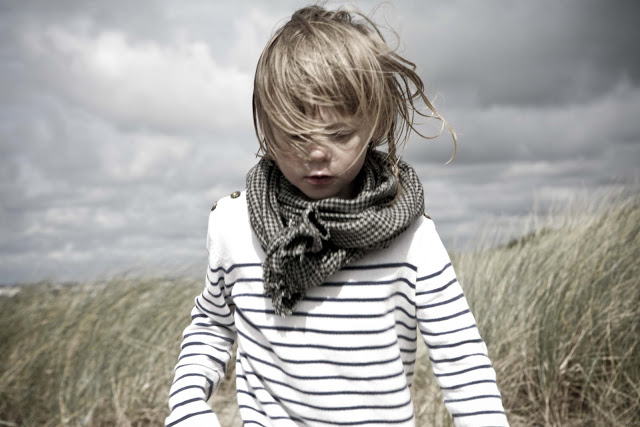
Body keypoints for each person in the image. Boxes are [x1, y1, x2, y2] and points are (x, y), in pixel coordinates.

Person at [166, 5, 508, 426]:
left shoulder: (413, 238)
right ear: (266, 127)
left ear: (375, 123)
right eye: (295, 134)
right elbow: (212, 327)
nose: (316, 153)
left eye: (340, 134)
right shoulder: (232, 227)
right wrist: (187, 408)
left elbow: (463, 359)